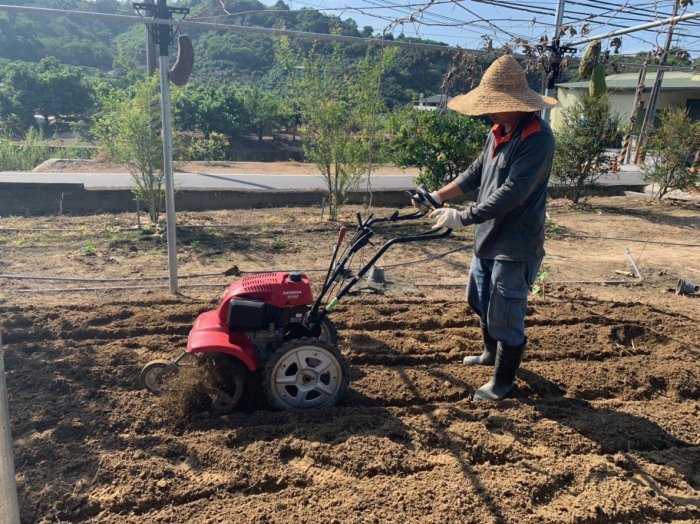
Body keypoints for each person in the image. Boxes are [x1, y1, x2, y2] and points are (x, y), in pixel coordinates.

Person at [412, 54, 556, 401]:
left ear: (516, 104)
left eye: (495, 106)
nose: (489, 113)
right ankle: (490, 354)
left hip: (516, 241)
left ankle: (502, 383)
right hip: (489, 234)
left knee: (506, 313)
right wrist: (438, 196)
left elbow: (514, 192)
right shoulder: (499, 131)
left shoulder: (537, 139)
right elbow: (477, 173)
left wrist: (464, 216)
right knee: (478, 298)